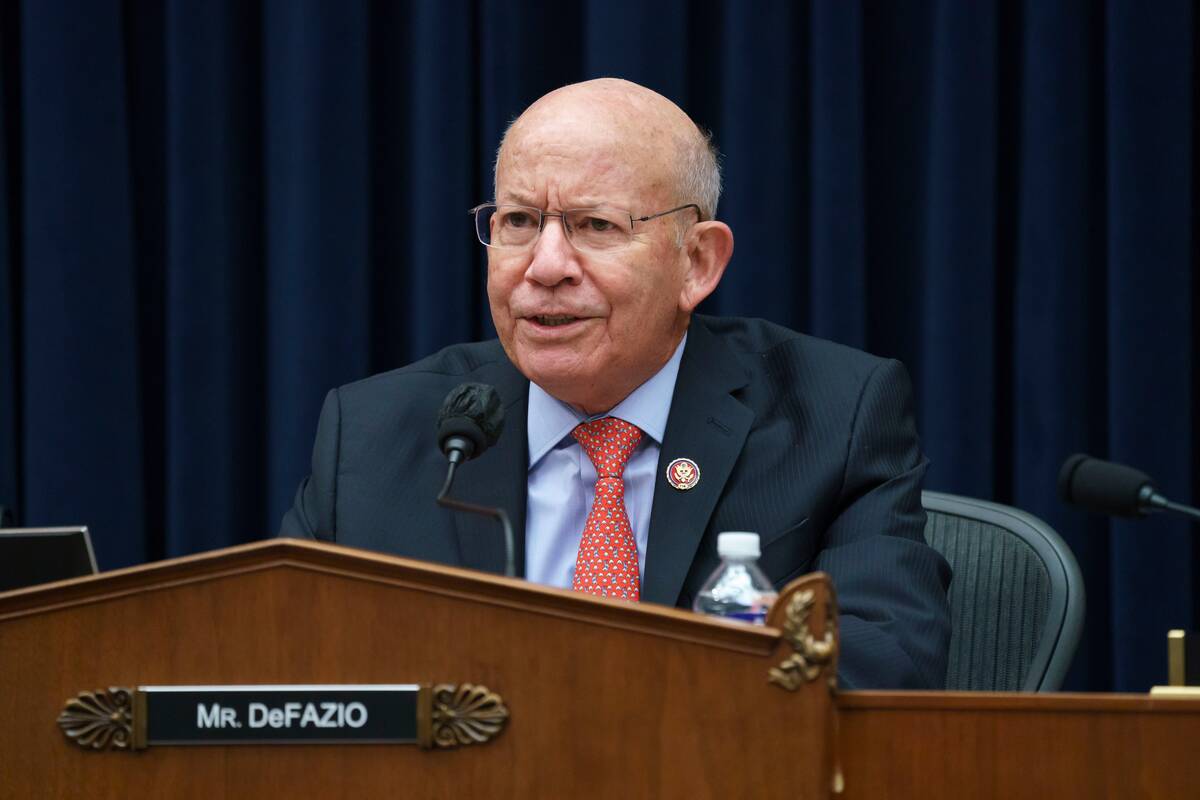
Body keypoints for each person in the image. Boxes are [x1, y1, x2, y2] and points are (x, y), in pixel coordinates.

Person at [280, 78, 951, 689]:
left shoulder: (834, 415)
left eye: (595, 225)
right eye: (518, 222)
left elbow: (882, 662)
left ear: (698, 261)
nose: (544, 266)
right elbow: (278, 669)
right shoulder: (373, 434)